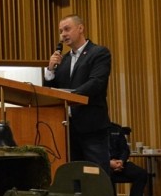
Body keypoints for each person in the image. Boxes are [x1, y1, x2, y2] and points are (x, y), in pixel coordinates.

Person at [44, 14, 112, 173]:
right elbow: (52, 90)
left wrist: (70, 96)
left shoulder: (99, 53)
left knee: (96, 174)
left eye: (67, 29)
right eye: (61, 31)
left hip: (92, 127)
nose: (63, 35)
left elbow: (97, 83)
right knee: (74, 175)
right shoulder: (63, 60)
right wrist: (50, 69)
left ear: (80, 28)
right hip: (68, 128)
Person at [108, 123, 148, 196]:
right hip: (104, 163)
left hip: (120, 162)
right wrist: (109, 163)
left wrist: (121, 161)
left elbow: (125, 150)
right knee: (105, 174)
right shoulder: (93, 129)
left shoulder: (116, 129)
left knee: (141, 174)